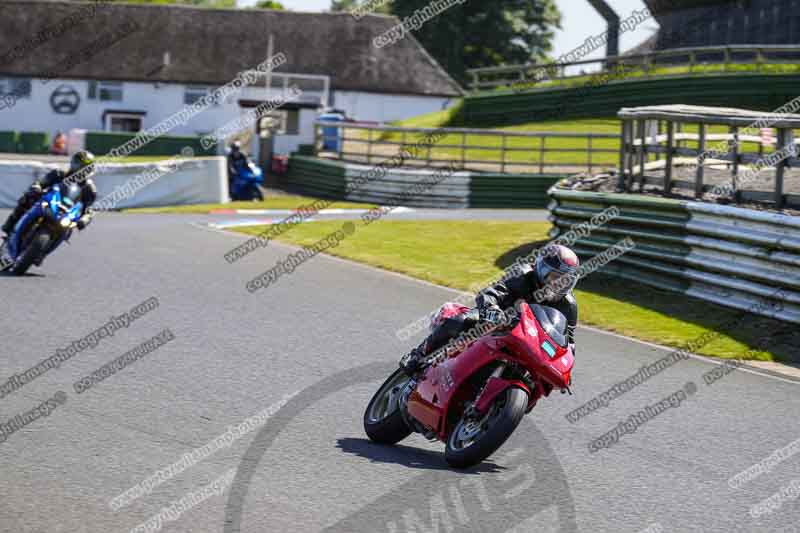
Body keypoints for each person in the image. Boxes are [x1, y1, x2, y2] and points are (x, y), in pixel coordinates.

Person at [400, 244, 580, 374]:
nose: (558, 284)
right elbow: (490, 292)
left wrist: (565, 366)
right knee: (461, 321)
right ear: (542, 269)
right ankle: (418, 354)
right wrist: (492, 310)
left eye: (565, 280)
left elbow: (568, 343)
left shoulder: (568, 306)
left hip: (529, 343)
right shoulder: (523, 275)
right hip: (494, 323)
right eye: (555, 277)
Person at [2, 150, 97, 239]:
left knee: (68, 230)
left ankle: (41, 251)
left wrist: (85, 219)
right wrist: (37, 187)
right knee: (28, 197)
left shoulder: (90, 189)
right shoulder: (59, 173)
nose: (78, 170)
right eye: (77, 165)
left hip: (67, 213)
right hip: (49, 201)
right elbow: (42, 182)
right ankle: (9, 227)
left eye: (82, 168)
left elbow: (89, 209)